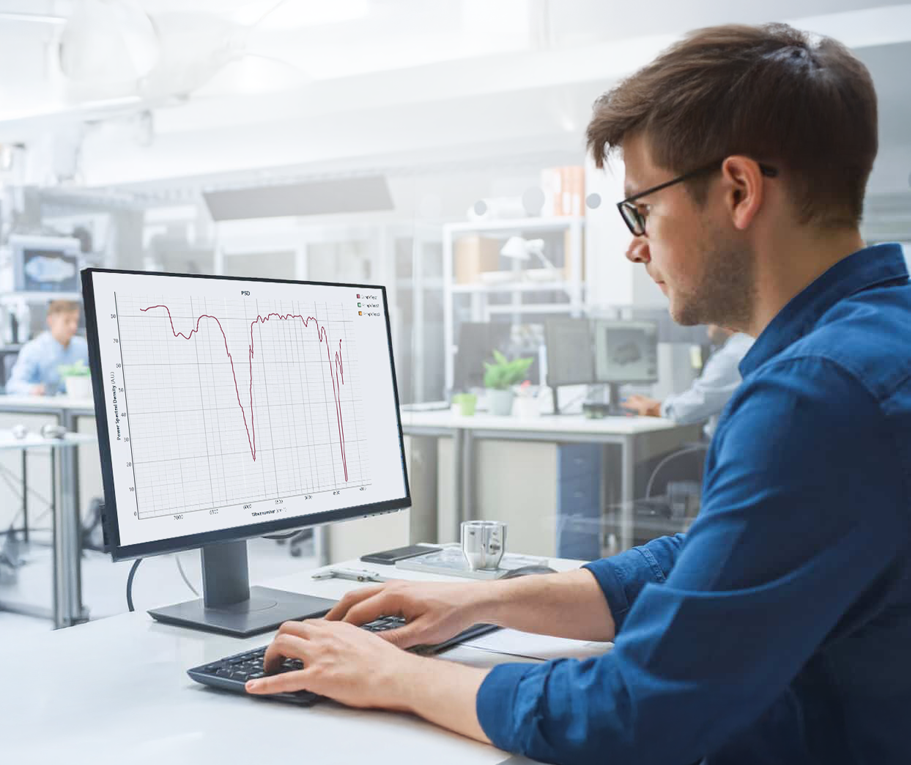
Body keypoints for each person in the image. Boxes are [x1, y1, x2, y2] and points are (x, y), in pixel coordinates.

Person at [245, 23, 911, 764]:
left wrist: (397, 675)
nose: (636, 244)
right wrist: (482, 600)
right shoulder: (877, 343)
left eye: (642, 208)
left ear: (738, 189)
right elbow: (714, 565)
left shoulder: (817, 396)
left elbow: (638, 713)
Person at [622, 323, 754, 438]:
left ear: (725, 322)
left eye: (712, 319)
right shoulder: (750, 346)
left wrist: (655, 408)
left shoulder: (731, 356)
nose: (707, 325)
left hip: (725, 449)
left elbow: (692, 408)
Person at [6, 300, 88, 395]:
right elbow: (13, 386)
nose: (73, 326)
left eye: (76, 321)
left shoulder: (83, 347)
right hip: (45, 408)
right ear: (50, 321)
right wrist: (34, 390)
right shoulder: (33, 349)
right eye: (67, 321)